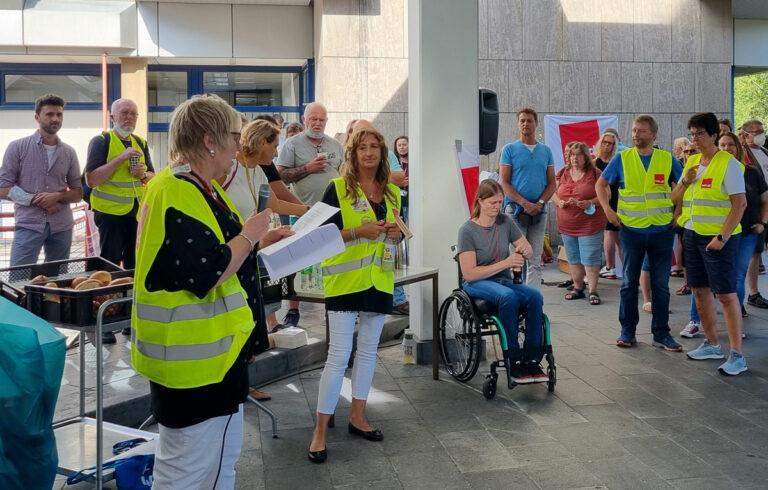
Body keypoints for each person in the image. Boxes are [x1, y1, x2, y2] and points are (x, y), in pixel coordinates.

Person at [131, 94, 292, 487]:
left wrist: (256, 238)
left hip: (212, 355)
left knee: (219, 462)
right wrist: (252, 234)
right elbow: (209, 269)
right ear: (209, 141)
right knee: (186, 471)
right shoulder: (179, 189)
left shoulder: (196, 187)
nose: (239, 147)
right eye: (234, 137)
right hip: (195, 361)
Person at [307, 126, 402, 464]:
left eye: (375, 146)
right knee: (338, 355)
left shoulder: (392, 193)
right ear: (352, 152)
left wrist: (395, 234)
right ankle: (319, 432)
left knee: (368, 352)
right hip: (346, 283)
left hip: (379, 281)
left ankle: (358, 417)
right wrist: (357, 232)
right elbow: (320, 237)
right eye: (363, 147)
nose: (369, 153)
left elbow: (395, 236)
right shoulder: (337, 189)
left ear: (382, 152)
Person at [596, 114, 683, 352]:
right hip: (631, 230)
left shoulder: (667, 159)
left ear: (653, 135)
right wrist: (607, 210)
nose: (636, 135)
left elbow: (685, 184)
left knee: (661, 285)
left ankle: (662, 334)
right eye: (634, 130)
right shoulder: (622, 158)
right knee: (628, 284)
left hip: (662, 230)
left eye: (642, 131)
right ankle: (627, 332)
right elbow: (600, 184)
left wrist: (679, 212)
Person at [672, 112, 747, 375]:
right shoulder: (691, 161)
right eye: (692, 133)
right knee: (699, 290)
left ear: (714, 135)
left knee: (726, 295)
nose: (695, 138)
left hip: (719, 238)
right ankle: (712, 344)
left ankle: (737, 355)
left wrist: (722, 237)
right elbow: (674, 197)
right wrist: (684, 179)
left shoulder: (729, 163)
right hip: (691, 234)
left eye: (700, 133)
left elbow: (740, 205)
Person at [458, 179, 545, 384]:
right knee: (507, 296)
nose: (497, 207)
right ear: (480, 201)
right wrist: (506, 262)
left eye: (500, 202)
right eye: (493, 203)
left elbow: (527, 248)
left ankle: (532, 357)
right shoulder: (467, 230)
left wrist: (526, 250)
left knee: (535, 296)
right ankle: (512, 357)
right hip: (476, 282)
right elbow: (469, 273)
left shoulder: (505, 221)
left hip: (502, 280)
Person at [85, 98, 155, 340]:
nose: (129, 118)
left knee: (136, 266)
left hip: (137, 214)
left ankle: (128, 317)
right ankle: (105, 322)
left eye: (134, 114)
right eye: (124, 113)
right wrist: (120, 159)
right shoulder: (102, 141)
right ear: (112, 116)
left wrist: (143, 173)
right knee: (109, 267)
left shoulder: (141, 143)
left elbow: (153, 177)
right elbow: (91, 179)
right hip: (111, 213)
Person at [276, 102, 343, 327]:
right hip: (304, 212)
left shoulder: (335, 145)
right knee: (296, 258)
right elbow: (281, 177)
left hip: (334, 212)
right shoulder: (292, 145)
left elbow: (344, 172)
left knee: (333, 258)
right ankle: (293, 310)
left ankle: (333, 304)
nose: (317, 123)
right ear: (305, 120)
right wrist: (307, 168)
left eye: (321, 119)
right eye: (313, 119)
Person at [0, 94, 82, 267]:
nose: (55, 119)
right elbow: (3, 188)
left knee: (57, 281)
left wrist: (57, 197)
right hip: (29, 224)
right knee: (18, 277)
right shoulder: (17, 147)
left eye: (59, 115)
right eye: (50, 114)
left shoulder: (69, 152)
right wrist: (37, 200)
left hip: (62, 226)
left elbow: (78, 193)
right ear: (37, 117)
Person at [499, 108, 556, 289]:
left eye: (529, 120)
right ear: (518, 124)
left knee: (535, 259)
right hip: (515, 211)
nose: (525, 124)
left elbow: (552, 184)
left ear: (536, 123)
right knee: (516, 259)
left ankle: (533, 303)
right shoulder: (509, 149)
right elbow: (505, 183)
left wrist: (539, 203)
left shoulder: (546, 151)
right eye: (522, 120)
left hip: (539, 212)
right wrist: (524, 203)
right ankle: (514, 301)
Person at [553, 142, 606, 305]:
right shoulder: (562, 172)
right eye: (572, 155)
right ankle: (578, 288)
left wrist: (590, 202)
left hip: (589, 224)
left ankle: (593, 290)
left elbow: (606, 195)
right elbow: (552, 192)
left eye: (579, 155)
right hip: (567, 225)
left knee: (590, 258)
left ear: (586, 156)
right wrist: (559, 202)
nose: (574, 158)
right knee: (574, 258)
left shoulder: (595, 173)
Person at [594, 131, 620, 279]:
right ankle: (612, 266)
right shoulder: (594, 162)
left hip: (616, 199)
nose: (607, 145)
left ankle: (612, 266)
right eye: (605, 142)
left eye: (610, 143)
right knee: (609, 234)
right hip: (599, 201)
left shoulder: (615, 161)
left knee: (612, 233)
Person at [393, 135, 410, 222]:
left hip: (412, 200)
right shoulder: (393, 162)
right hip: (397, 200)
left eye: (404, 144)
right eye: (399, 145)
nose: (402, 147)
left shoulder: (414, 161)